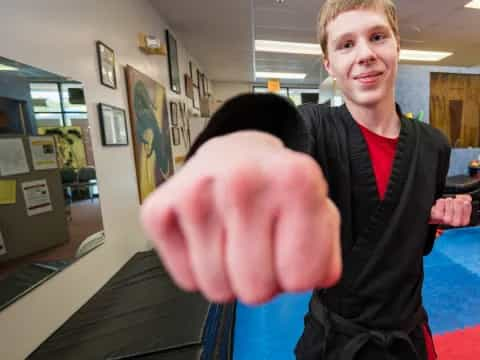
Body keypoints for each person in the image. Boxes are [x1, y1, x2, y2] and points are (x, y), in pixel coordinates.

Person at [140, 0, 473, 358]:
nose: (364, 54)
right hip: (337, 343)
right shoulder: (315, 126)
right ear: (329, 63)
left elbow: (415, 243)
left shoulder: (433, 145)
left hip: (409, 340)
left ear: (396, 45)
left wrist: (442, 214)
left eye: (377, 37)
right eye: (346, 44)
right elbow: (275, 142)